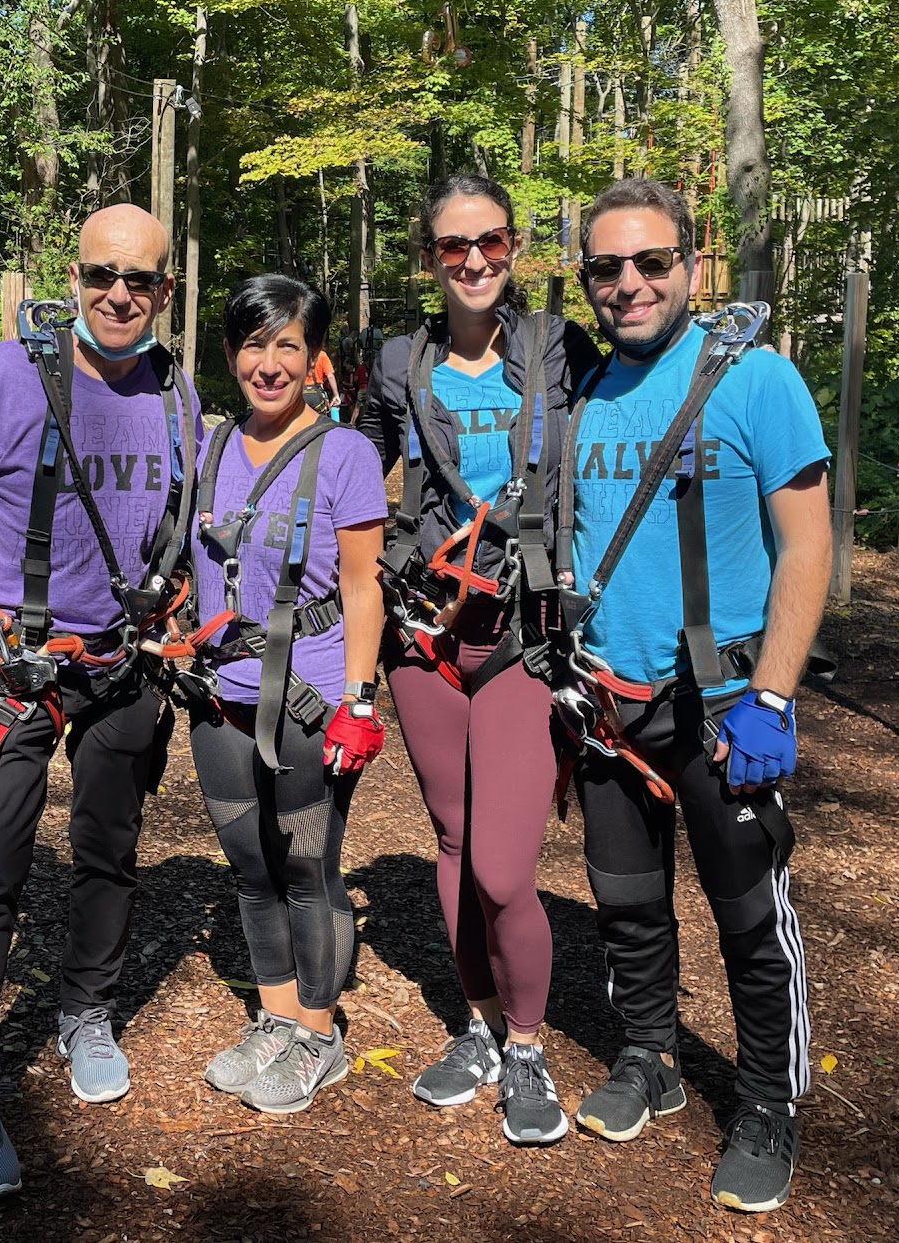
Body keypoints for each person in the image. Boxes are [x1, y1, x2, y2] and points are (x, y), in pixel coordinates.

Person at [558, 176, 829, 1214]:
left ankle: (765, 1101)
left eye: (651, 261)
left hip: (719, 701)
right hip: (607, 699)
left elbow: (808, 544)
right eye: (606, 266)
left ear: (692, 264)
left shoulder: (756, 380)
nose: (628, 283)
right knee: (625, 900)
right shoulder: (586, 391)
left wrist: (772, 697)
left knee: (748, 913)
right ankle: (649, 1054)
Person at [0, 203, 200, 1198]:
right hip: (14, 663)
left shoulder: (174, 388)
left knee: (108, 847)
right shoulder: (7, 375)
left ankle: (85, 1008)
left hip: (122, 664)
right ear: (72, 277)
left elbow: (185, 520)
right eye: (100, 275)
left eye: (139, 280)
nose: (118, 295)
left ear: (165, 289)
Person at [360, 174, 600, 1146]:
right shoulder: (397, 362)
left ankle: (528, 1047)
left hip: (521, 632)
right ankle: (477, 1028)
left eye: (490, 242)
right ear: (428, 258)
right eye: (452, 246)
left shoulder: (558, 349)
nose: (472, 261)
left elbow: (618, 442)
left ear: (514, 249)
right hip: (425, 634)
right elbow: (353, 473)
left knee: (503, 869)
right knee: (454, 843)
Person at [174, 275, 386, 1113]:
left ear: (313, 356)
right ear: (231, 354)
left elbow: (363, 586)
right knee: (251, 866)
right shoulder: (212, 447)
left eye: (288, 346)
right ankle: (276, 1016)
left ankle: (319, 1034)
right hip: (219, 697)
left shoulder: (346, 454)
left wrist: (360, 700)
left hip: (309, 698)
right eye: (254, 346)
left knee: (307, 865)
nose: (269, 365)